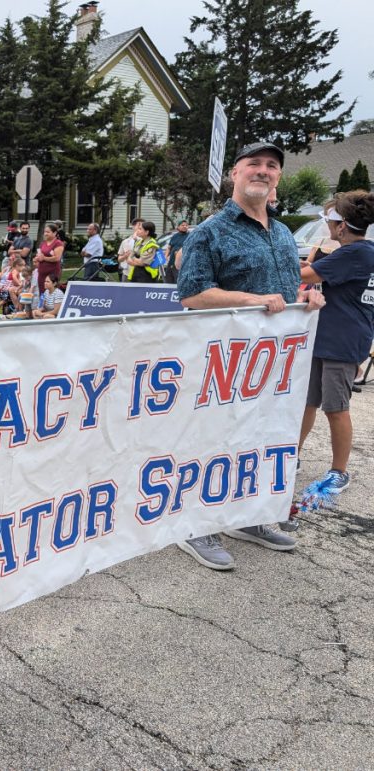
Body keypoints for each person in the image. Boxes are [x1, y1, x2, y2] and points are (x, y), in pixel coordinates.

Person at [176, 140, 325, 570]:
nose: (263, 170)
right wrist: (251, 298)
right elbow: (191, 295)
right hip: (220, 363)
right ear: (235, 174)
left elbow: (280, 291)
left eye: (271, 166)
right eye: (253, 164)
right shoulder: (210, 231)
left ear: (278, 177)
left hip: (272, 367)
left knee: (260, 440)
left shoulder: (280, 233)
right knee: (212, 442)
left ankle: (249, 517)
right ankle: (194, 526)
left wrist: (305, 298)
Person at [296, 191, 374, 495]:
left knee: (336, 407)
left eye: (329, 219)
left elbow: (306, 274)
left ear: (341, 226)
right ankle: (293, 456)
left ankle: (339, 471)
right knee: (308, 401)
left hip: (340, 341)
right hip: (332, 337)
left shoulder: (354, 253)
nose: (326, 225)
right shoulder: (359, 252)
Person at [33, 223, 64, 293]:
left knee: (51, 292)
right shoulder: (43, 243)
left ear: (55, 233)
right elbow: (39, 255)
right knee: (42, 292)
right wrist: (36, 258)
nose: (45, 234)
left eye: (48, 232)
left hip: (52, 273)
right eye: (45, 232)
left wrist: (44, 258)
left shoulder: (58, 243)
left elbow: (57, 258)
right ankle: (43, 304)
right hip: (41, 273)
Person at [117, 218, 144, 282]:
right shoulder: (125, 242)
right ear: (133, 227)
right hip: (127, 273)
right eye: (139, 225)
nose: (141, 227)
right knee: (124, 291)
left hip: (141, 273)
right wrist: (125, 255)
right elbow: (119, 259)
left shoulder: (146, 241)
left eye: (143, 226)